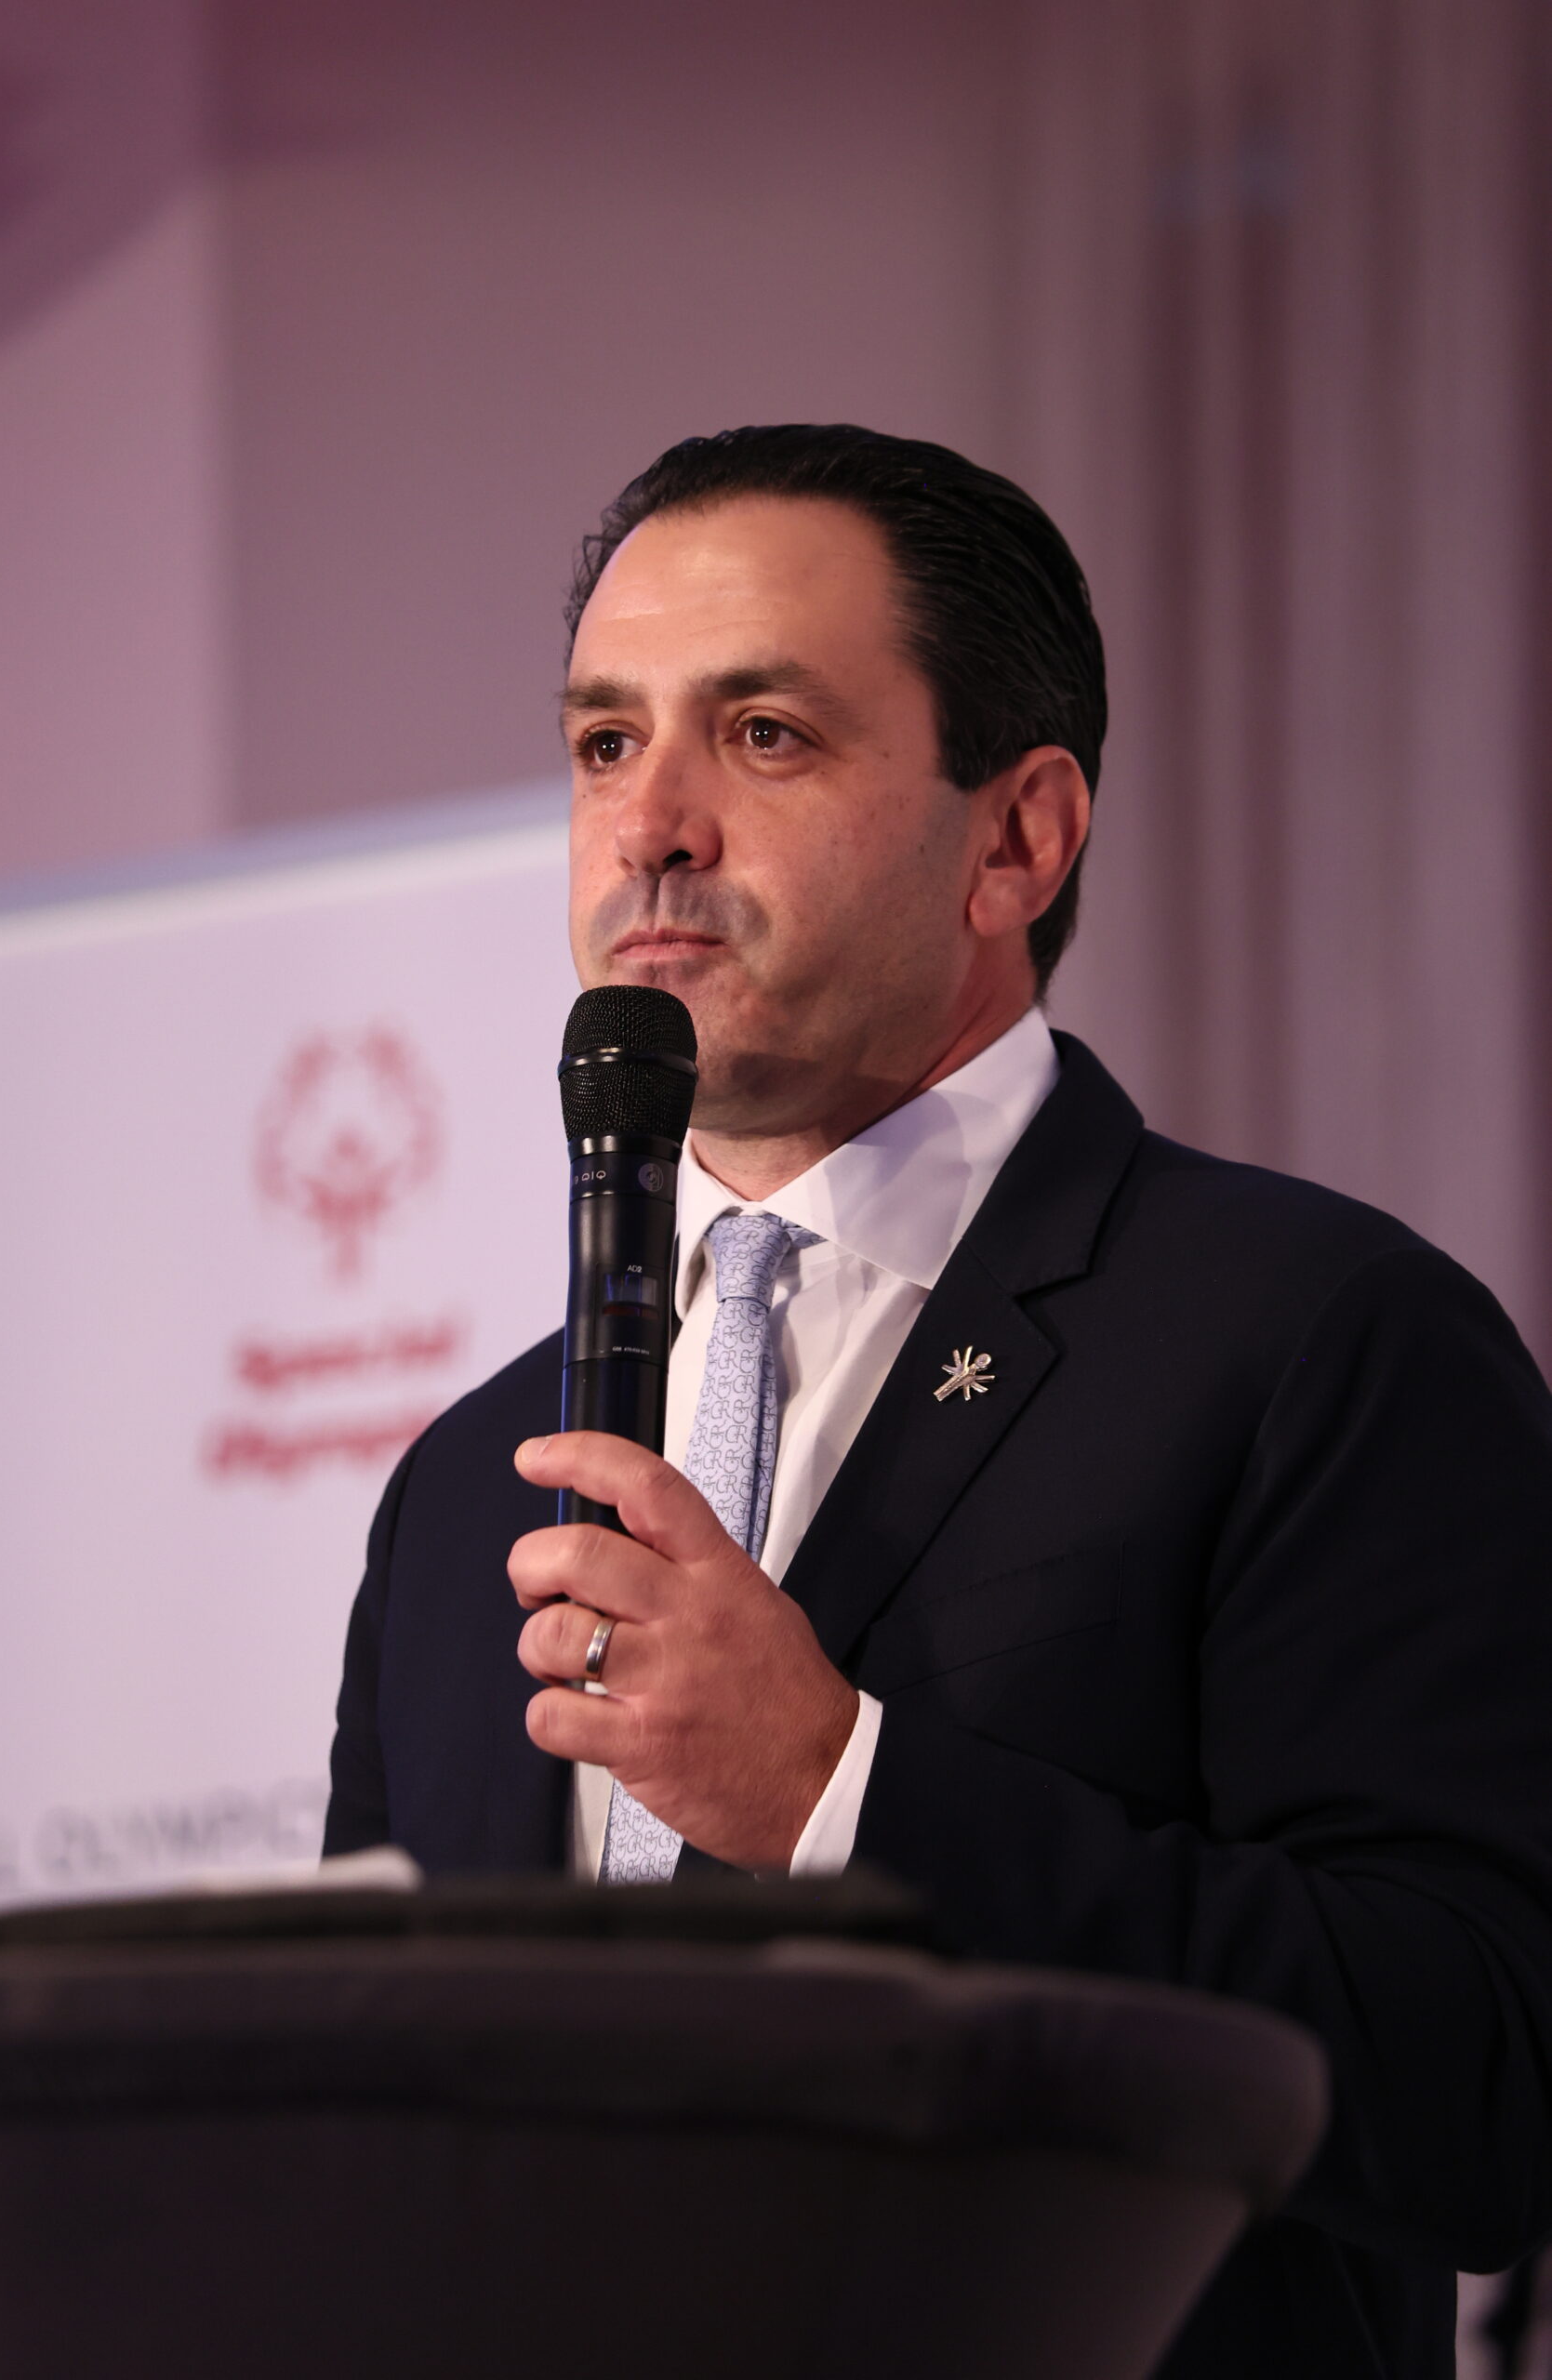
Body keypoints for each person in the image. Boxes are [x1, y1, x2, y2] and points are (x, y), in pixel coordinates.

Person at [325, 423, 1552, 2377]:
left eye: (764, 735)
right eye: (604, 743)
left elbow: (1486, 2079)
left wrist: (843, 1792)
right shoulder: (470, 1474)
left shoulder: (1317, 1338)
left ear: (1017, 838)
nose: (651, 826)